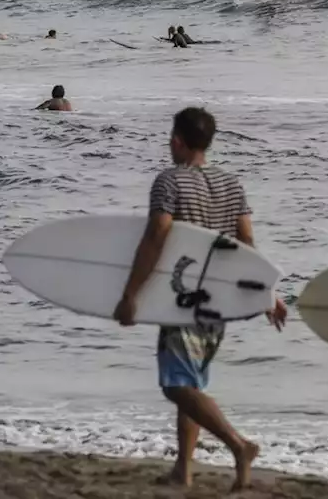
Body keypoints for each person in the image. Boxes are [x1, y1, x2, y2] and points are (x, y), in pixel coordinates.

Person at [113, 107, 287, 492]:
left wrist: (131, 295)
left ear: (177, 140)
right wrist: (266, 294)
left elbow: (157, 236)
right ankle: (183, 470)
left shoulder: (168, 182)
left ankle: (239, 446)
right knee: (191, 384)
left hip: (181, 299)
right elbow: (247, 244)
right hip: (219, 301)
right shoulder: (231, 184)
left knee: (176, 386)